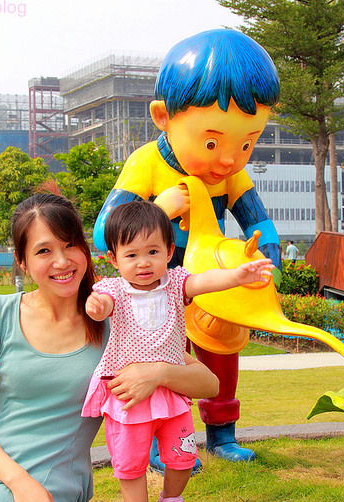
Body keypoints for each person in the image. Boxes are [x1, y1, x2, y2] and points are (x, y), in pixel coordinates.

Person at [0, 185, 219, 502]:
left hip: (52, 478)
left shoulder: (115, 318)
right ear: (22, 261)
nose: (62, 261)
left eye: (70, 245)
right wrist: (17, 481)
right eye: (44, 251)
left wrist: (158, 373)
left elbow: (209, 384)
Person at [92, 29, 281, 464]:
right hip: (153, 283)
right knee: (154, 357)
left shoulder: (229, 175)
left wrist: (268, 254)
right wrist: (159, 209)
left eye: (247, 143)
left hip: (207, 279)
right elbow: (104, 233)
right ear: (164, 117)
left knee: (221, 355)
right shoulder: (147, 163)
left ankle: (222, 434)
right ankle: (156, 442)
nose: (229, 158)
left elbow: (258, 221)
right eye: (212, 142)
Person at [83, 201, 273, 502]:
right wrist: (96, 307)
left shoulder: (174, 284)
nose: (143, 262)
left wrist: (237, 275)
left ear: (169, 251)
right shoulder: (112, 289)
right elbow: (100, 306)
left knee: (183, 455)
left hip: (172, 392)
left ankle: (171, 499)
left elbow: (206, 280)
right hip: (130, 395)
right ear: (113, 259)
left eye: (153, 251)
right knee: (129, 462)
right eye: (131, 255)